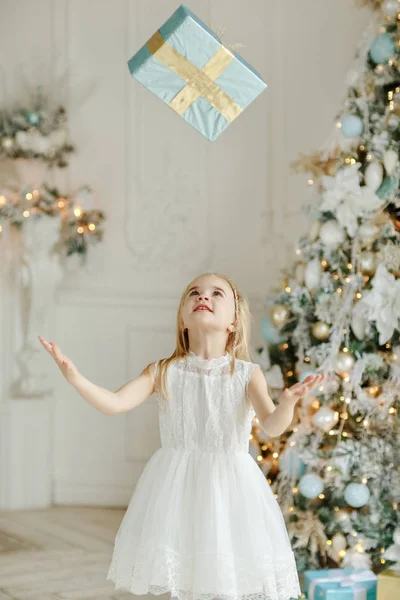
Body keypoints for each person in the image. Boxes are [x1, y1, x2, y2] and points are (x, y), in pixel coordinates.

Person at [38, 271, 325, 600]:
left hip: (230, 488)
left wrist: (287, 402)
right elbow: (114, 403)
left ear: (233, 321)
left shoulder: (247, 374)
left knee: (224, 572)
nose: (203, 297)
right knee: (186, 575)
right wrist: (75, 378)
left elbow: (273, 426)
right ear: (182, 319)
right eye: (194, 292)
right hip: (176, 487)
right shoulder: (163, 371)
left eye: (217, 293)